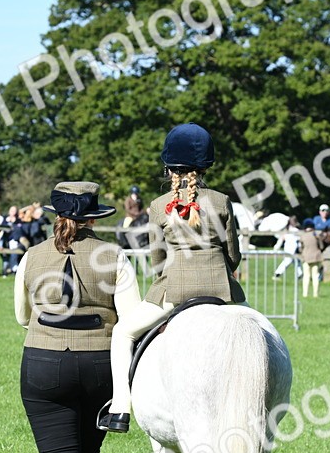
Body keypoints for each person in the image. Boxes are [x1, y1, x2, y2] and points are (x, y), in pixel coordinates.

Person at [15, 181, 140, 453]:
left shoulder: (31, 256)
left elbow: (21, 316)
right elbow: (131, 319)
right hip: (100, 364)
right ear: (93, 218)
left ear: (57, 215)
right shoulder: (114, 255)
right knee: (89, 452)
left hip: (43, 362)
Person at [102, 123, 245, 433]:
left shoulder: (157, 207)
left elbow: (158, 260)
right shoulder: (222, 201)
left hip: (174, 290)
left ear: (168, 169)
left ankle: (120, 408)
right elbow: (233, 255)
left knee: (123, 333)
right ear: (206, 166)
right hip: (222, 290)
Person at [299, 218, 322, 298]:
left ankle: (305, 294)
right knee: (315, 276)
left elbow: (300, 248)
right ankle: (315, 294)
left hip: (306, 258)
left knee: (306, 276)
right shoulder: (316, 235)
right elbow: (321, 246)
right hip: (316, 257)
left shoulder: (303, 236)